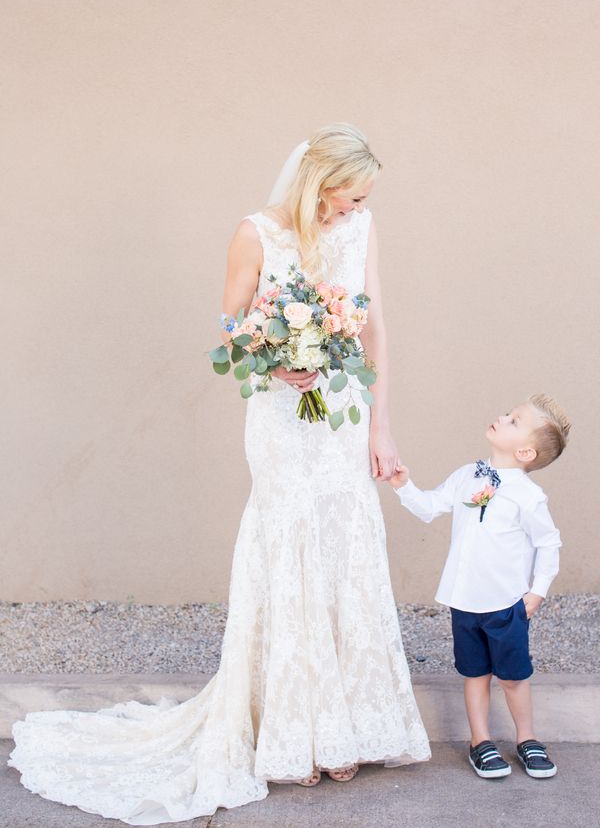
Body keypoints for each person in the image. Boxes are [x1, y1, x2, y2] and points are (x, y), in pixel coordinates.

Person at [9, 124, 430, 824]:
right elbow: (233, 330)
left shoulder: (362, 229)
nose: (356, 211)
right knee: (287, 546)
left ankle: (345, 726)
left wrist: (381, 427)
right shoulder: (255, 234)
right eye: (348, 199)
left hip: (342, 417)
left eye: (362, 201)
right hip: (280, 420)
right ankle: (290, 731)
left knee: (345, 546)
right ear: (316, 187)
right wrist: (275, 359)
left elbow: (374, 323)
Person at [388, 394, 570, 780]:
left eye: (514, 420)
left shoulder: (528, 495)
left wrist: (536, 592)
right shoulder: (467, 474)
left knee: (514, 677)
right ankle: (480, 741)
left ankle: (527, 738)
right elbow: (431, 506)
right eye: (508, 413)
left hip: (506, 603)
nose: (502, 417)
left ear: (525, 451)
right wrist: (405, 486)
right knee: (475, 673)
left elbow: (548, 543)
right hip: (465, 600)